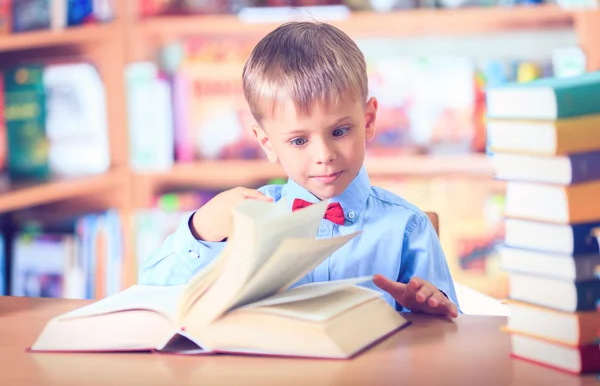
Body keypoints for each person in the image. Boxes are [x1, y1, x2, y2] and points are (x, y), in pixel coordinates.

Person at [140, 21, 460, 317]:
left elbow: (450, 327)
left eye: (339, 132)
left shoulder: (407, 226)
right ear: (266, 142)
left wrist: (429, 311)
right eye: (298, 141)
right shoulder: (245, 220)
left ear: (368, 121)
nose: (324, 155)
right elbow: (150, 291)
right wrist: (202, 230)